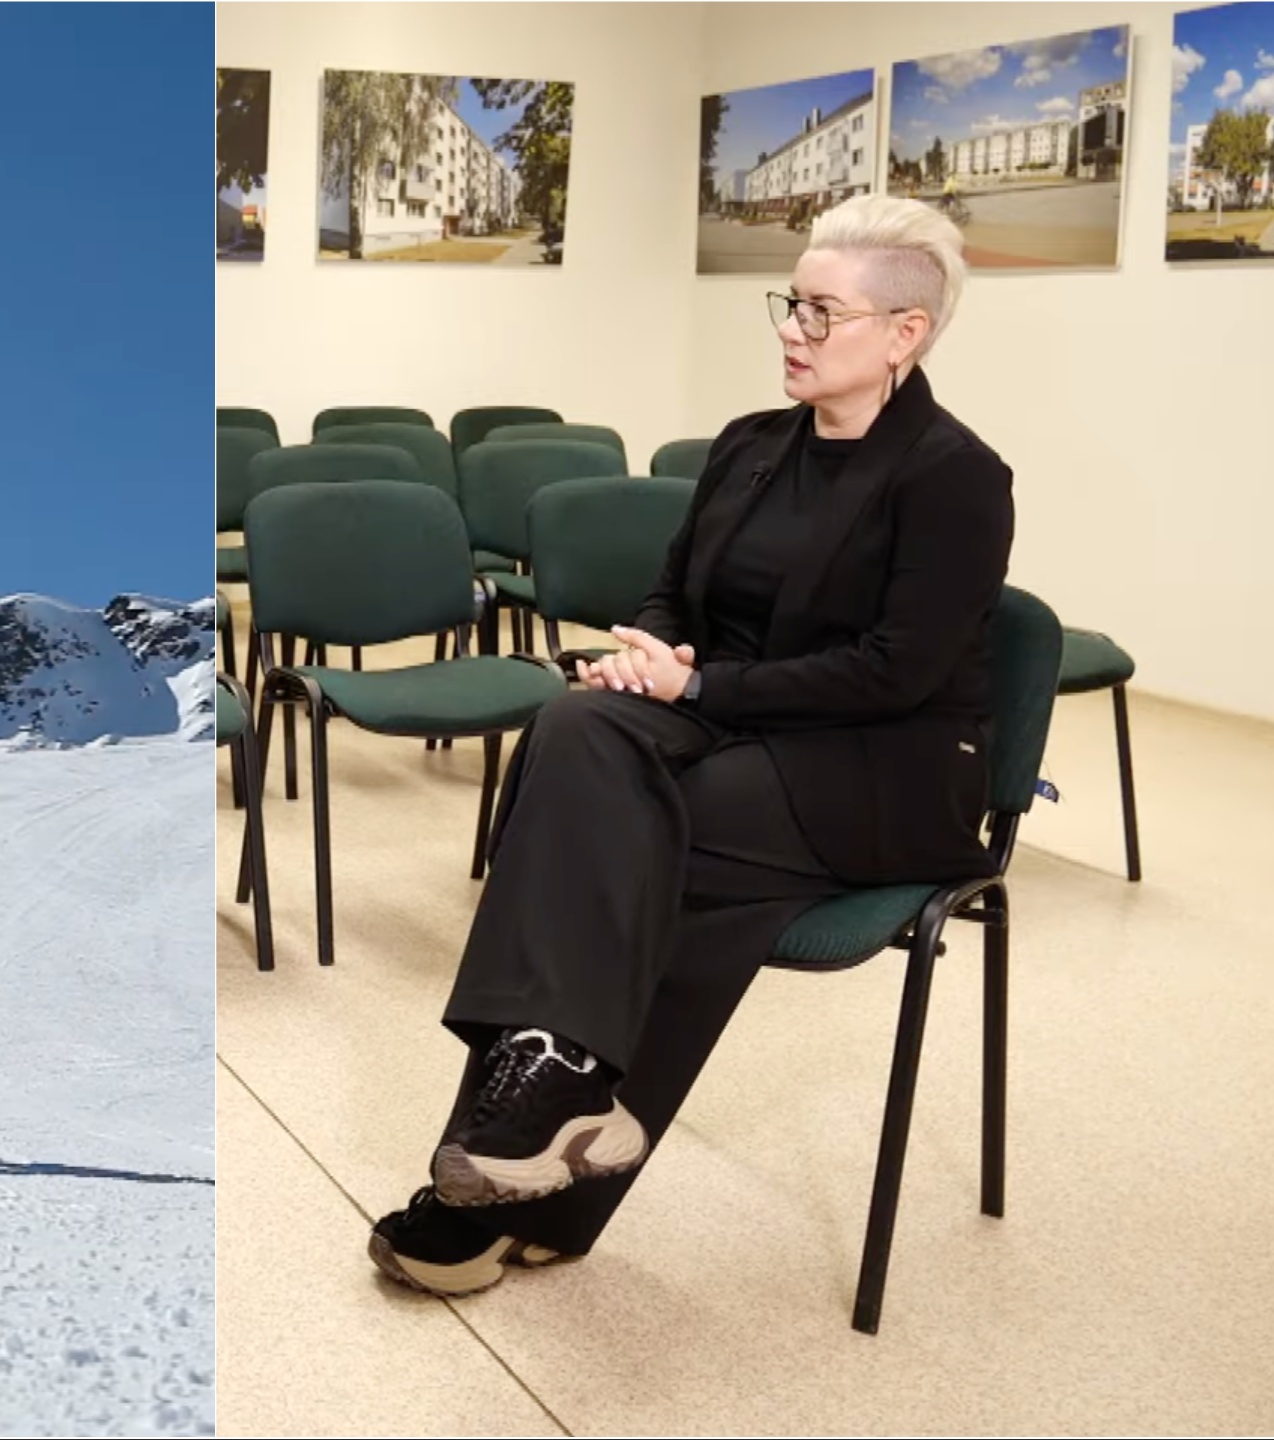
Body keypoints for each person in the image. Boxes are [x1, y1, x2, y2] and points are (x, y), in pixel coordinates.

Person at [368, 194, 1016, 1296]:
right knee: (573, 724)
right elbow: (676, 595)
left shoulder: (954, 477)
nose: (792, 331)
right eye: (790, 304)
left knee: (617, 832)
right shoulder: (752, 447)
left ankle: (506, 1163)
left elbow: (894, 672)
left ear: (906, 333)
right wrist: (648, 654)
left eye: (823, 312)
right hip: (727, 723)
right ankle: (550, 1101)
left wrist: (699, 680)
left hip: (880, 769)